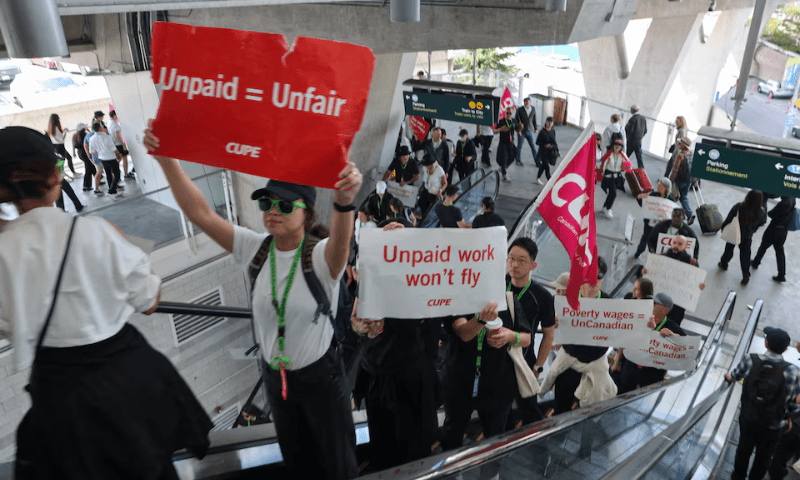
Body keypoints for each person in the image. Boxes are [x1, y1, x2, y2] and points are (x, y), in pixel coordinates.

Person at [144, 120, 362, 479]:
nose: (272, 209)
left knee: (337, 466)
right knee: (296, 463)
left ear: (306, 213)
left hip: (321, 382)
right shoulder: (254, 248)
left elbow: (340, 244)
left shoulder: (321, 257)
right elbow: (201, 213)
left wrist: (343, 203)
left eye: (284, 205)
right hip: (275, 380)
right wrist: (166, 159)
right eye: (266, 202)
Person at [0, 126, 212, 478]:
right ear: (55, 175)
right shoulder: (96, 231)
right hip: (127, 381)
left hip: (59, 392)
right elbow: (149, 300)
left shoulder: (4, 252)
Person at [351, 221, 438, 471]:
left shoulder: (428, 277)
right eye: (389, 243)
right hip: (377, 376)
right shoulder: (371, 277)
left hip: (414, 380)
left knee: (414, 452)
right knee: (382, 448)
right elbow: (355, 321)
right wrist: (361, 328)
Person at [441, 298, 531, 450]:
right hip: (460, 381)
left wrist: (510, 336)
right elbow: (463, 332)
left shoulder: (507, 299)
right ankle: (452, 472)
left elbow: (527, 338)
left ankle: (491, 473)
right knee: (452, 433)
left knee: (495, 438)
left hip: (498, 382)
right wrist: (481, 319)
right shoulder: (458, 296)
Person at [725, 327, 800, 480]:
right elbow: (792, 401)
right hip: (774, 425)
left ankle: (738, 476)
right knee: (763, 458)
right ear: (786, 349)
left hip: (749, 418)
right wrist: (790, 419)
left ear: (766, 343)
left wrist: (729, 377)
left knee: (743, 451)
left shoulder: (750, 359)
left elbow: (736, 375)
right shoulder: (793, 370)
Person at [506, 238, 555, 424]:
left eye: (521, 260)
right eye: (511, 258)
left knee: (529, 410)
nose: (514, 264)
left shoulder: (542, 296)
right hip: (497, 362)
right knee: (501, 411)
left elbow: (549, 335)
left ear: (533, 264)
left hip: (524, 361)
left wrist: (537, 367)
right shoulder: (498, 284)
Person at [552, 257, 609, 414]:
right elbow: (550, 326)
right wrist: (553, 326)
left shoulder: (610, 303)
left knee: (591, 412)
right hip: (569, 364)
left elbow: (625, 329)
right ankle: (556, 438)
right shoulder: (566, 299)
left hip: (595, 367)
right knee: (560, 410)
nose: (594, 280)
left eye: (598, 276)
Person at [617, 293, 685, 393]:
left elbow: (687, 349)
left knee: (646, 401)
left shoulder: (673, 328)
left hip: (652, 373)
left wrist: (673, 337)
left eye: (655, 303)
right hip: (630, 367)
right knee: (620, 396)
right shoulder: (639, 318)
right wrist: (617, 361)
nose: (651, 305)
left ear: (665, 310)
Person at [641, 236, 704, 325]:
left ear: (686, 247)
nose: (676, 246)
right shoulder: (661, 257)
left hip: (678, 305)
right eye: (674, 243)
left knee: (672, 324)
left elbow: (696, 282)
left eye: (680, 244)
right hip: (659, 301)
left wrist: (700, 285)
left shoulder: (692, 263)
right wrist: (645, 271)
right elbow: (647, 274)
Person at [718, 189, 767, 285]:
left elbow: (729, 219)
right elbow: (762, 222)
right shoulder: (760, 212)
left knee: (729, 249)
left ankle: (724, 264)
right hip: (747, 236)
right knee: (745, 256)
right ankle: (746, 275)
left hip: (734, 232)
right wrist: (753, 229)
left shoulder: (739, 207)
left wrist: (723, 228)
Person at [752, 195, 796, 283]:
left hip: (774, 229)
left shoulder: (783, 203)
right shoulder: (792, 198)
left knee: (763, 246)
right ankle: (781, 274)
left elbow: (771, 214)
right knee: (780, 252)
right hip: (783, 230)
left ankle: (756, 263)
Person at [634, 177, 671, 259]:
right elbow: (644, 205)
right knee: (645, 239)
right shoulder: (653, 195)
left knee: (657, 243)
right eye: (658, 185)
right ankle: (638, 253)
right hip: (649, 224)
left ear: (666, 188)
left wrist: (668, 220)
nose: (658, 187)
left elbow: (671, 214)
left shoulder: (669, 201)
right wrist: (639, 197)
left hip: (660, 227)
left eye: (661, 186)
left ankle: (654, 258)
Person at [598, 138, 632, 219]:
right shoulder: (609, 155)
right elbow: (602, 165)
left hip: (617, 177)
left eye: (619, 146)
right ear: (613, 146)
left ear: (621, 147)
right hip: (609, 176)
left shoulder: (623, 155)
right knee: (613, 193)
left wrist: (625, 165)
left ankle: (604, 207)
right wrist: (607, 163)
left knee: (611, 193)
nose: (617, 148)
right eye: (616, 146)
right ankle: (608, 209)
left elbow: (629, 165)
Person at [89, 122, 122, 195]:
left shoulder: (92, 138)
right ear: (100, 128)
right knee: (117, 174)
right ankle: (112, 189)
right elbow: (113, 148)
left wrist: (100, 152)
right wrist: (119, 154)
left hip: (102, 159)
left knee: (108, 174)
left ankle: (111, 188)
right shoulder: (107, 137)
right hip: (111, 158)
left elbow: (92, 151)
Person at [667, 137, 695, 224]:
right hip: (689, 180)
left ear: (684, 146)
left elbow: (675, 170)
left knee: (671, 197)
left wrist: (670, 180)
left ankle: (667, 214)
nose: (679, 144)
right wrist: (696, 180)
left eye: (680, 143)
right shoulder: (692, 153)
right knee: (683, 197)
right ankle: (689, 214)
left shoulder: (680, 155)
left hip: (680, 180)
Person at [108, 110, 132, 179]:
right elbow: (117, 136)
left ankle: (113, 176)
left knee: (117, 160)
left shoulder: (109, 123)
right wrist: (123, 144)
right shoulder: (116, 125)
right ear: (114, 115)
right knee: (124, 159)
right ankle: (126, 175)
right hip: (118, 144)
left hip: (113, 144)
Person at [494, 107, 516, 182]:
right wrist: (501, 129)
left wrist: (520, 127)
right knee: (504, 158)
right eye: (507, 113)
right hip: (503, 143)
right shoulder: (501, 121)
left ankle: (503, 167)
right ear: (505, 113)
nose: (509, 115)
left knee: (513, 157)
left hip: (511, 143)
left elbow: (517, 129)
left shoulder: (514, 121)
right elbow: (494, 131)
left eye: (510, 113)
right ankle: (504, 174)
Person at [72, 123, 96, 192]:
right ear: (83, 128)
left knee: (91, 167)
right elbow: (92, 137)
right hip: (86, 154)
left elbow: (74, 145)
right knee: (88, 169)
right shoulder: (85, 134)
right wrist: (88, 130)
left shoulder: (75, 135)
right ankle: (86, 186)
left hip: (81, 154)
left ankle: (98, 178)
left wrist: (73, 153)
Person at [535, 117, 560, 185]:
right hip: (543, 152)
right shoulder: (542, 132)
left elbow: (554, 142)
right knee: (546, 167)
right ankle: (550, 182)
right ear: (546, 122)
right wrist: (545, 145)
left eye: (551, 122)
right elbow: (537, 142)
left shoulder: (553, 131)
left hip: (550, 152)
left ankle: (538, 177)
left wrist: (557, 150)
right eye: (549, 122)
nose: (550, 124)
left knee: (543, 166)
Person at [515, 98, 538, 166]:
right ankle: (518, 160)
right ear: (524, 102)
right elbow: (516, 119)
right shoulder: (519, 110)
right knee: (519, 146)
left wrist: (535, 128)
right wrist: (518, 129)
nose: (527, 103)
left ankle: (537, 161)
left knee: (533, 146)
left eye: (528, 101)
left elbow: (534, 119)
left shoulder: (533, 109)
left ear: (530, 102)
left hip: (530, 131)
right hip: (522, 131)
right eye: (525, 102)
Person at [625, 104, 648, 169]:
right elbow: (645, 130)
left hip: (631, 141)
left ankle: (621, 166)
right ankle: (641, 170)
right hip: (639, 141)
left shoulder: (632, 119)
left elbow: (630, 130)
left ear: (633, 110)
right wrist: (640, 137)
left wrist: (628, 137)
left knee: (626, 155)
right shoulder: (643, 118)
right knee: (639, 157)